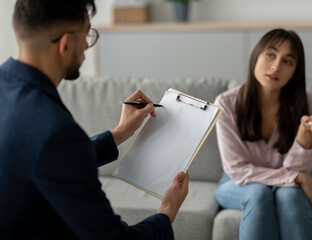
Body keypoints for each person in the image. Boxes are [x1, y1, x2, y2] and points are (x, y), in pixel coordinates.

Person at [0, 0, 188, 239]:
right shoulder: (55, 131)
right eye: (86, 34)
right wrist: (168, 210)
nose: (87, 46)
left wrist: (120, 133)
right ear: (66, 44)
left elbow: (47, 159)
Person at [214, 28, 312, 240]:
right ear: (256, 56)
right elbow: (237, 170)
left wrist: (304, 135)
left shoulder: (309, 104)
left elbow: (298, 167)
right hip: (237, 182)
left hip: (291, 180)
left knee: (289, 195)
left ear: (295, 71)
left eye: (287, 61)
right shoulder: (226, 103)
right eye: (270, 54)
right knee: (258, 192)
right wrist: (297, 178)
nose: (276, 66)